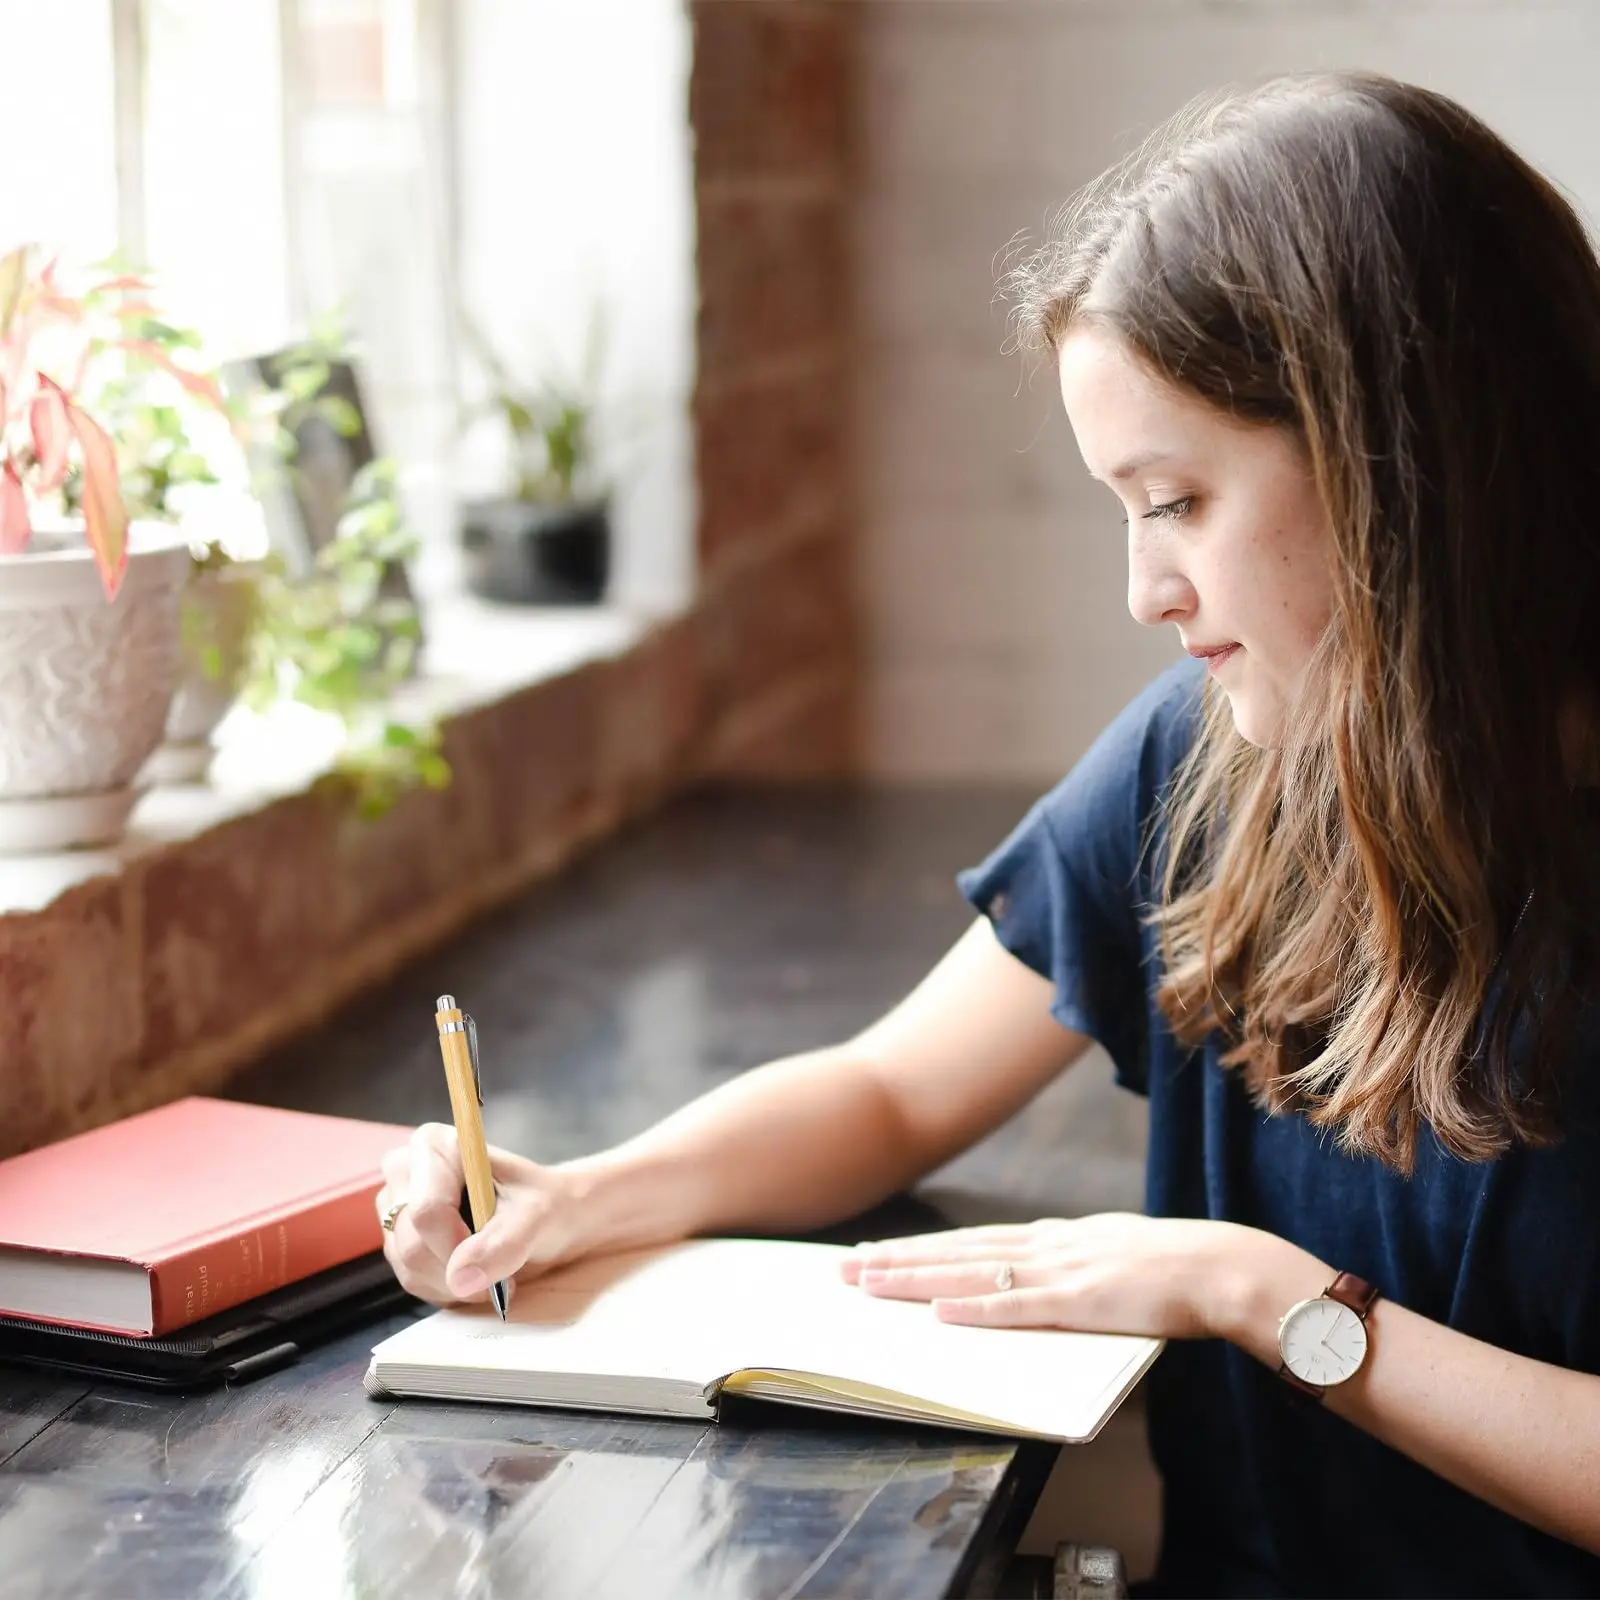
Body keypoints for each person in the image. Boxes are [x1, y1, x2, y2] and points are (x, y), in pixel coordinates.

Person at [378, 71, 1600, 1596]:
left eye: (1177, 501)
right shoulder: (1210, 762)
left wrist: (1268, 1296)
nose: (1143, 590)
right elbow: (896, 1089)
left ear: (1398, 465)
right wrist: (579, 1199)